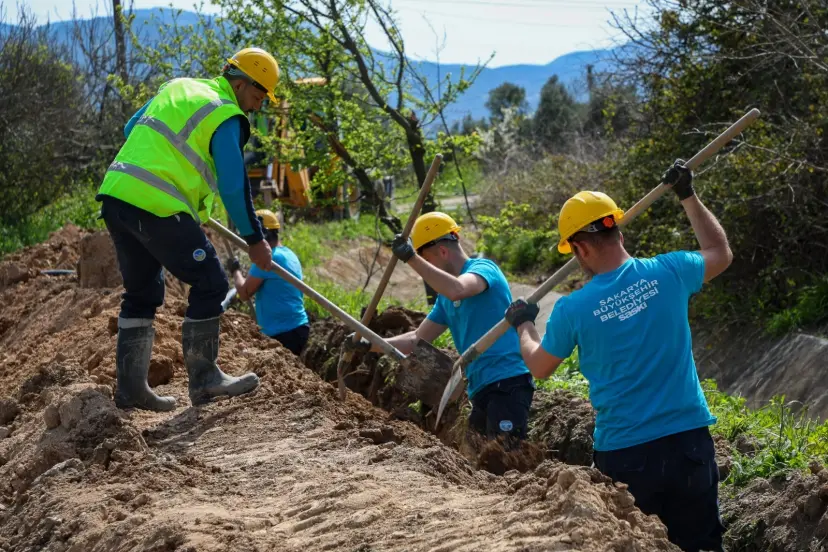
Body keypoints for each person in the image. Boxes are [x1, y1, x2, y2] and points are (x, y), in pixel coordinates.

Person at [504, 161, 731, 552]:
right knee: (702, 545)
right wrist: (688, 195)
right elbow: (720, 252)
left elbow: (539, 366)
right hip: (688, 442)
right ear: (618, 231)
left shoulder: (573, 309)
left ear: (579, 248)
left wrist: (523, 325)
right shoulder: (670, 271)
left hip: (627, 454)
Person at [96, 47, 282, 412]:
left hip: (117, 196)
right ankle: (205, 379)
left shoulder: (178, 86)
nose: (257, 106)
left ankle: (131, 391)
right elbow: (233, 186)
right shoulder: (226, 113)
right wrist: (255, 239)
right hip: (156, 205)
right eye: (258, 96)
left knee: (142, 292)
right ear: (240, 84)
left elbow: (131, 129)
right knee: (211, 282)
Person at [345, 212, 534, 447]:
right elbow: (416, 340)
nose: (427, 273)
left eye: (427, 262)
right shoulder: (445, 300)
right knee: (484, 459)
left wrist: (411, 258)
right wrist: (368, 343)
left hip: (508, 382)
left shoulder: (484, 269)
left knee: (506, 455)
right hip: (480, 388)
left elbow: (458, 289)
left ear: (443, 252)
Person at [228, 209, 310, 355]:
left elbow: (245, 293)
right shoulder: (288, 253)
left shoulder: (269, 258)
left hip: (283, 332)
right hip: (296, 328)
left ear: (261, 235)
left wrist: (235, 271)